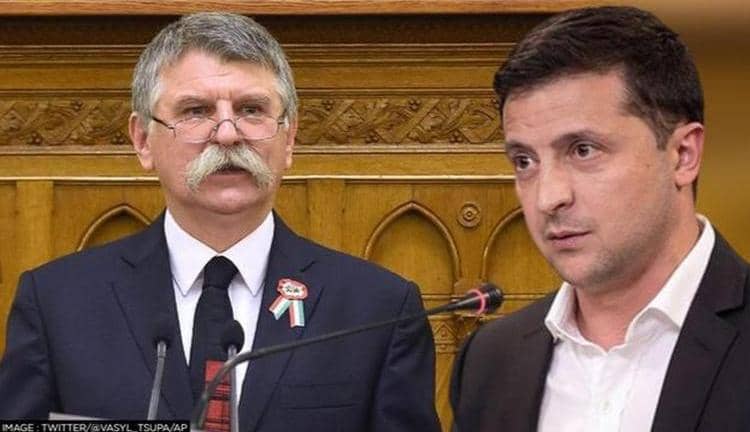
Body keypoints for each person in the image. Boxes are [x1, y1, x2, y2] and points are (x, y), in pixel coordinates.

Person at [0, 12, 441, 431]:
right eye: (196, 111)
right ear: (143, 140)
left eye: (251, 109)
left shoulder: (377, 309)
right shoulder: (58, 305)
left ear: (289, 138)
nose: (228, 134)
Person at [450, 6, 750, 432]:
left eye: (583, 150)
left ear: (683, 155)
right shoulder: (490, 361)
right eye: (525, 161)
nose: (548, 197)